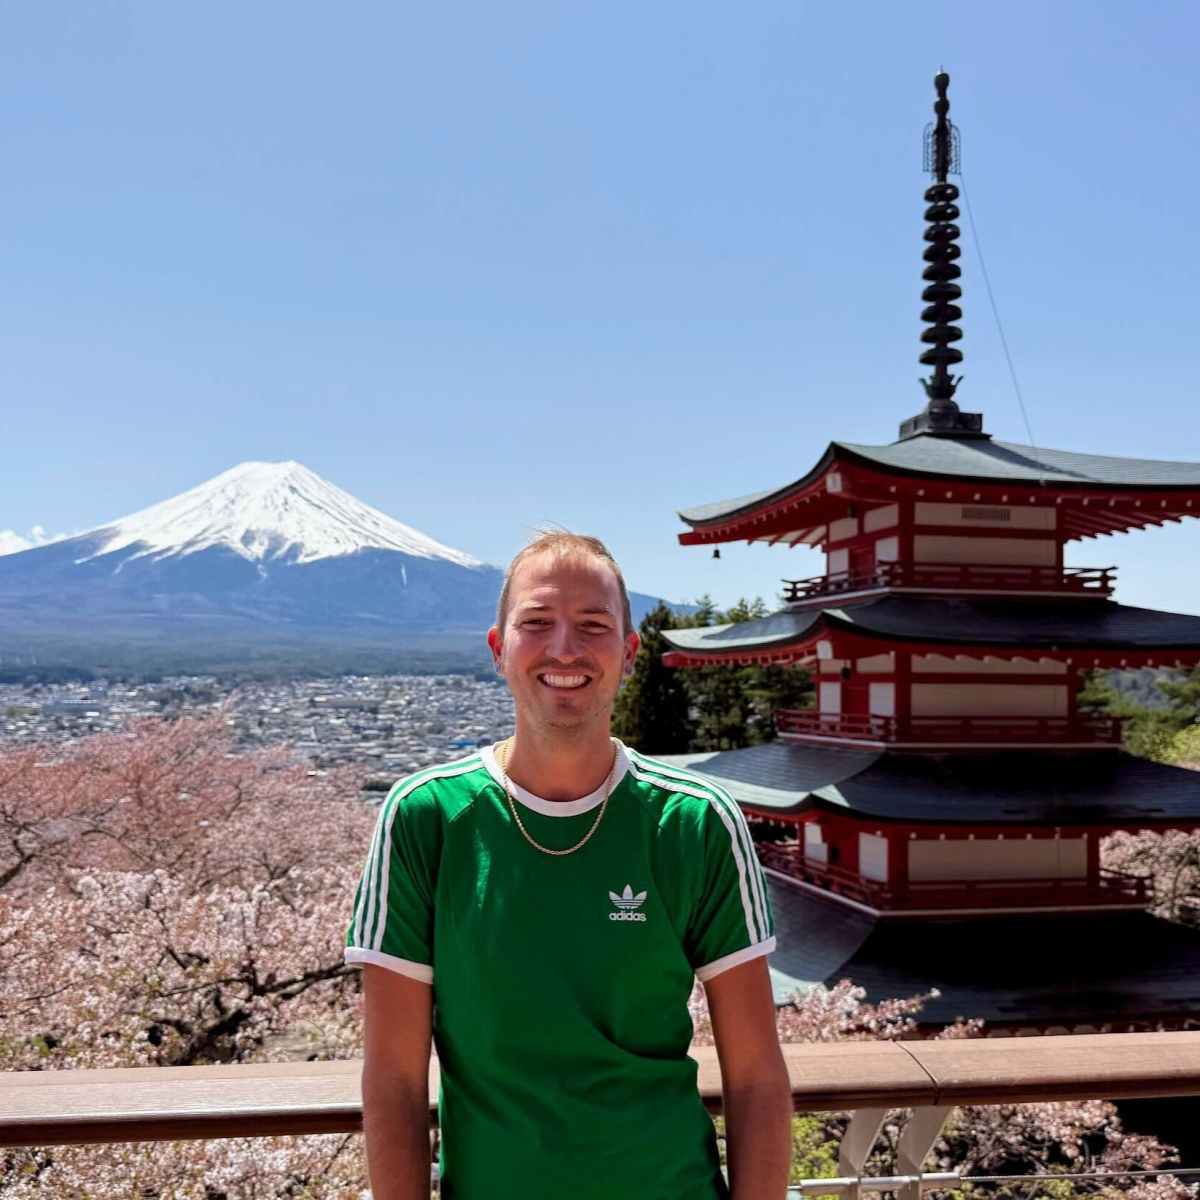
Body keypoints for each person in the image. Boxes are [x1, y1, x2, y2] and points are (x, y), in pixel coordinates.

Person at [345, 530, 791, 1200]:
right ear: (499, 651)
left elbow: (755, 1072)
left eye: (592, 625)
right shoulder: (427, 818)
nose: (564, 649)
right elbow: (395, 1080)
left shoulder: (693, 821)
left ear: (629, 653)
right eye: (536, 624)